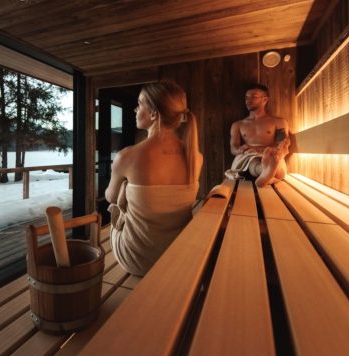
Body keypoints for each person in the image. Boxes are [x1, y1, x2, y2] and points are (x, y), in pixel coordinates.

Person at [105, 80, 203, 276]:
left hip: (138, 259)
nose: (135, 109)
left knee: (118, 209)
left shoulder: (127, 156)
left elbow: (110, 198)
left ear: (153, 113)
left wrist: (123, 183)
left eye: (139, 103)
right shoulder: (195, 157)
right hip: (177, 254)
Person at [226, 84, 290, 187]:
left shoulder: (278, 122)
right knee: (254, 161)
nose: (248, 100)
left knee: (275, 160)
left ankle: (268, 173)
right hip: (249, 156)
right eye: (246, 97)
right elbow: (233, 148)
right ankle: (266, 172)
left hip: (271, 155)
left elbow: (282, 145)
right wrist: (241, 149)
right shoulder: (238, 125)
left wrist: (274, 152)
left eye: (254, 97)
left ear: (264, 100)